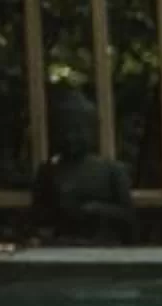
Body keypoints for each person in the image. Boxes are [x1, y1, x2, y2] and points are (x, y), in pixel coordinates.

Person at [28, 87, 136, 244]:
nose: (71, 137)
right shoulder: (48, 171)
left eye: (78, 130)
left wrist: (97, 209)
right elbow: (37, 218)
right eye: (64, 130)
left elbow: (130, 219)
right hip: (63, 245)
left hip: (103, 246)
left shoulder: (112, 170)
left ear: (93, 131)